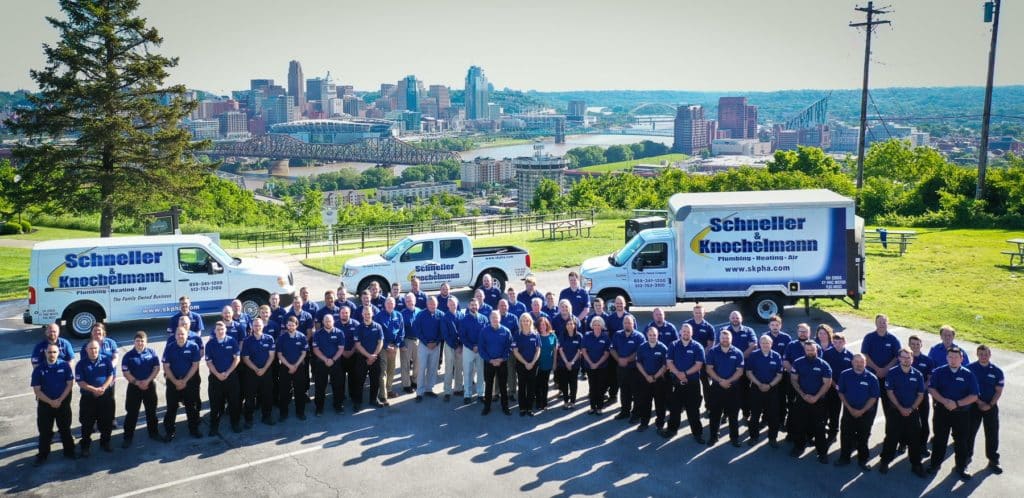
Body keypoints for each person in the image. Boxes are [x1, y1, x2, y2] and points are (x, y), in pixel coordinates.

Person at [928, 346, 979, 480]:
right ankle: (934, 465)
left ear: (962, 359)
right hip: (942, 411)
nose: (953, 360)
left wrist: (956, 404)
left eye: (956, 357)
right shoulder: (939, 372)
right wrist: (945, 401)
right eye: (950, 357)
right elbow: (932, 389)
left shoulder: (968, 374)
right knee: (940, 439)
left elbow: (974, 396)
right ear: (947, 358)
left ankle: (961, 467)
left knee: (961, 442)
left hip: (961, 413)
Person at [879, 347, 927, 477]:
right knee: (891, 437)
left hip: (912, 412)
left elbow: (920, 394)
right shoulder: (892, 373)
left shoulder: (917, 374)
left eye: (908, 357)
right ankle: (885, 461)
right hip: (895, 411)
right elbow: (890, 392)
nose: (906, 360)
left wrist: (911, 409)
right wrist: (900, 408)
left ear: (912, 359)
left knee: (914, 439)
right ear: (899, 358)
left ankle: (916, 464)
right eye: (903, 357)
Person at [31, 344, 75, 466]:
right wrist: (51, 402)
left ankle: (69, 451)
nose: (52, 355)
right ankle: (43, 455)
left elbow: (70, 384)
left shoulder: (65, 366)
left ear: (58, 353)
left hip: (63, 403)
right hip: (45, 405)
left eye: (54, 352)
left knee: (65, 429)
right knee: (45, 431)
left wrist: (60, 400)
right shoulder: (39, 369)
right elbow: (37, 390)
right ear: (45, 353)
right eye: (50, 352)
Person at [790, 340, 833, 463]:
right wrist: (803, 395)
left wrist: (816, 397)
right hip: (802, 399)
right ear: (804, 350)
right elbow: (794, 379)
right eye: (807, 350)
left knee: (819, 428)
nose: (810, 352)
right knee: (800, 425)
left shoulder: (824, 365)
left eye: (812, 350)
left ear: (817, 350)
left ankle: (822, 453)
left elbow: (827, 383)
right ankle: (799, 447)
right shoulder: (798, 363)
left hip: (818, 401)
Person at [835, 353, 879, 471]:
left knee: (863, 437)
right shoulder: (845, 375)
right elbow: (841, 392)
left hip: (866, 413)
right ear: (852, 362)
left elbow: (873, 397)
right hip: (849, 411)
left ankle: (863, 460)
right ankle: (844, 458)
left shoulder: (872, 378)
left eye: (862, 362)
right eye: (856, 361)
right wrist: (850, 408)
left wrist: (862, 410)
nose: (859, 364)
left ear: (865, 363)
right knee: (846, 435)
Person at [663, 323, 706, 443]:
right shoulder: (673, 345)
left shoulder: (697, 347)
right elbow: (669, 362)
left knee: (693, 410)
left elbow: (699, 365)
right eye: (684, 331)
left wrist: (685, 374)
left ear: (691, 333)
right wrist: (678, 374)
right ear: (680, 332)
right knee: (675, 409)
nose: (686, 333)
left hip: (692, 384)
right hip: (677, 382)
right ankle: (672, 429)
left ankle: (697, 433)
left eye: (688, 331)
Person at [967, 344, 1004, 475]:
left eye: (986, 354)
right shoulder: (969, 369)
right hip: (973, 406)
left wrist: (989, 405)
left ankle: (993, 460)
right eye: (981, 354)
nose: (983, 356)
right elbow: (968, 389)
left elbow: (998, 391)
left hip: (991, 407)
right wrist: (979, 402)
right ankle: (966, 458)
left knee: (992, 434)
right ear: (977, 355)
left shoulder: (997, 371)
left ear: (990, 354)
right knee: (970, 433)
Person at [705, 330, 745, 447]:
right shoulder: (713, 351)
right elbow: (709, 369)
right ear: (719, 339)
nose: (725, 340)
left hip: (733, 388)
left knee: (733, 415)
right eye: (723, 338)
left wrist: (728, 381)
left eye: (727, 338)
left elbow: (740, 371)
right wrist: (720, 381)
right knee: (715, 414)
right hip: (717, 388)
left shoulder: (738, 353)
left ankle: (734, 438)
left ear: (731, 339)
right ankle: (713, 437)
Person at [75, 340, 115, 456]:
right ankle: (85, 446)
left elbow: (110, 375)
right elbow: (80, 382)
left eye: (96, 348)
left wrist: (102, 388)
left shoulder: (106, 361)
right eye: (91, 349)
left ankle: (105, 443)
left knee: (106, 422)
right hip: (88, 399)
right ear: (86, 350)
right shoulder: (81, 364)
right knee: (87, 424)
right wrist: (94, 390)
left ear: (99, 349)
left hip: (105, 397)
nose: (94, 351)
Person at [120, 331, 161, 446]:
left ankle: (154, 433)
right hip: (134, 387)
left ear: (146, 342)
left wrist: (147, 381)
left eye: (142, 341)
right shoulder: (128, 356)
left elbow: (156, 368)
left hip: (149, 386)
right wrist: (137, 383)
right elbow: (125, 372)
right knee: (132, 413)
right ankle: (127, 438)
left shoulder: (152, 352)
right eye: (137, 341)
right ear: (134, 342)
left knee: (151, 411)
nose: (140, 343)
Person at [163, 326, 202, 441]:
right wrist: (175, 381)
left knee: (191, 407)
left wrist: (184, 381)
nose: (180, 336)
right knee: (171, 408)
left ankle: (194, 429)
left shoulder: (193, 346)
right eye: (178, 334)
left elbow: (195, 365)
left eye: (182, 334)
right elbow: (166, 366)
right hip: (173, 382)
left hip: (189, 382)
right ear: (175, 336)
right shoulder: (170, 347)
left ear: (187, 335)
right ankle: (170, 432)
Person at [205, 321, 242, 435]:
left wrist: (227, 372)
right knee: (215, 404)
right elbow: (209, 362)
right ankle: (214, 427)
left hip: (231, 377)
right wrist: (217, 374)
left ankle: (235, 424)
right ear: (214, 331)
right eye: (218, 330)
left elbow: (237, 359)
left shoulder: (232, 341)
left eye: (222, 329)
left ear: (225, 330)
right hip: (215, 378)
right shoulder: (210, 344)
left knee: (234, 402)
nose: (220, 331)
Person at [746, 335, 783, 447]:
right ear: (759, 344)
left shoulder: (776, 356)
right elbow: (749, 372)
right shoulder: (753, 355)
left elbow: (779, 375)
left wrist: (770, 385)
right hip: (756, 389)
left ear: (771, 344)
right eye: (763, 343)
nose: (765, 345)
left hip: (772, 390)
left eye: (767, 343)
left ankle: (772, 438)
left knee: (773, 416)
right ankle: (754, 437)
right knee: (755, 415)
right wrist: (759, 384)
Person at [861, 314, 901, 419]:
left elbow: (897, 357)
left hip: (888, 378)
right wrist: (877, 369)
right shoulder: (869, 337)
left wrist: (885, 370)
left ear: (888, 323)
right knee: (870, 408)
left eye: (884, 322)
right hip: (871, 377)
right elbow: (864, 355)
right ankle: (866, 433)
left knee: (889, 409)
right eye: (879, 322)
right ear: (875, 323)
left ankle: (890, 435)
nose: (882, 324)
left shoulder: (893, 339)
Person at [241, 317, 276, 428]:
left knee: (267, 395)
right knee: (250, 397)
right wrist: (256, 369)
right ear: (252, 327)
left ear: (263, 326)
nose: (257, 327)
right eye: (255, 325)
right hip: (251, 373)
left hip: (266, 371)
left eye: (259, 325)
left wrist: (264, 369)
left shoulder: (269, 338)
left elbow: (272, 356)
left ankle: (267, 416)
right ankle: (249, 419)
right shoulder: (247, 341)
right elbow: (245, 358)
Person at [722, 311, 757, 420]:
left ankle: (746, 414)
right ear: (730, 318)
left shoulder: (748, 331)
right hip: (728, 369)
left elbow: (753, 346)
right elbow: (721, 345)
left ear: (741, 319)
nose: (735, 319)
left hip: (744, 368)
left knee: (745, 392)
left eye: (737, 317)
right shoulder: (724, 330)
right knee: (727, 392)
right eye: (733, 317)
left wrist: (739, 358)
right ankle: (726, 413)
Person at [611, 315, 644, 423]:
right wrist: (619, 359)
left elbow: (640, 352)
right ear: (623, 324)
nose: (627, 324)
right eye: (625, 322)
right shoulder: (617, 334)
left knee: (636, 392)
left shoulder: (639, 337)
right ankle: (625, 411)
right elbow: (612, 349)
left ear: (633, 323)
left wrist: (627, 360)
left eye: (629, 322)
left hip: (634, 369)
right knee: (624, 391)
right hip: (621, 369)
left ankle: (636, 414)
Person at [634, 327, 669, 432]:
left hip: (659, 380)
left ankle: (660, 424)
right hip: (645, 379)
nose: (652, 337)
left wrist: (654, 377)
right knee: (645, 402)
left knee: (660, 403)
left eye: (654, 335)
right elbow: (638, 363)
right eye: (650, 335)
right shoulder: (642, 347)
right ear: (647, 335)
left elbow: (665, 365)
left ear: (657, 335)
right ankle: (644, 423)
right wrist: (646, 376)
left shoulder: (663, 348)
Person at [822, 329, 852, 445]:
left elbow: (850, 373)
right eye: (835, 342)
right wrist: (834, 384)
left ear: (844, 342)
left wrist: (842, 387)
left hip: (842, 390)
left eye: (839, 342)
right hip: (829, 387)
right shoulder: (827, 353)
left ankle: (832, 434)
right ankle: (821, 432)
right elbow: (825, 371)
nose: (837, 344)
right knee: (825, 411)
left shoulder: (850, 356)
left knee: (835, 412)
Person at [311, 313, 345, 416]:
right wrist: (326, 360)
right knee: (320, 387)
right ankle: (319, 408)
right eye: (326, 321)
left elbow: (341, 349)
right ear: (323, 322)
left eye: (329, 321)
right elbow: (315, 349)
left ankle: (338, 406)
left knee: (337, 386)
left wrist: (333, 360)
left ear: (333, 321)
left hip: (336, 363)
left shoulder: (339, 333)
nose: (328, 322)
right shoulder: (317, 334)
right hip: (322, 363)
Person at [480, 311, 513, 416]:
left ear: (500, 318)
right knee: (488, 385)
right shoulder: (484, 331)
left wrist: (501, 359)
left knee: (503, 385)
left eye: (496, 317)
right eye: (493, 317)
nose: (495, 319)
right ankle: (487, 407)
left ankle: (505, 407)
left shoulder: (506, 331)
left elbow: (509, 348)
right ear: (490, 319)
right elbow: (481, 348)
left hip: (502, 363)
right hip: (489, 362)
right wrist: (490, 360)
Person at [276, 316, 308, 422]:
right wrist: (290, 366)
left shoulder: (302, 337)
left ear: (296, 325)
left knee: (300, 391)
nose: (291, 327)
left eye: (293, 325)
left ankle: (300, 412)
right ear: (286, 325)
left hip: (298, 367)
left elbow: (304, 353)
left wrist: (295, 365)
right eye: (289, 325)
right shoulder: (282, 338)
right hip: (285, 367)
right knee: (284, 391)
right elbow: (279, 354)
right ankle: (283, 413)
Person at [908, 335, 935, 457]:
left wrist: (920, 390)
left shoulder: (928, 360)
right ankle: (904, 443)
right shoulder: (905, 358)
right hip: (907, 396)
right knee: (906, 421)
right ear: (909, 345)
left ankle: (922, 446)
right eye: (912, 344)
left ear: (921, 344)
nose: (915, 346)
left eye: (917, 344)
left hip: (922, 396)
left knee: (924, 421)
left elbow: (929, 379)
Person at [684, 304, 715, 412]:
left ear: (704, 313)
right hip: (688, 361)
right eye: (696, 313)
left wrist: (700, 356)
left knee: (706, 385)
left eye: (700, 313)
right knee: (688, 384)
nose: (698, 315)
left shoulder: (708, 327)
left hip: (703, 361)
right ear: (693, 313)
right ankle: (687, 405)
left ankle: (709, 406)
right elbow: (683, 341)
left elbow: (710, 345)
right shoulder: (687, 324)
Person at [413, 296, 444, 401]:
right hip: (424, 345)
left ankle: (429, 389)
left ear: (437, 304)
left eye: (434, 304)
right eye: (430, 304)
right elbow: (417, 330)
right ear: (427, 304)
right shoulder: (421, 314)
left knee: (433, 368)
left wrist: (436, 342)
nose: (432, 306)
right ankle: (419, 392)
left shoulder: (440, 315)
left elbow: (442, 331)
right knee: (421, 369)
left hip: (436, 345)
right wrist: (426, 343)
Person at [353, 307, 385, 409]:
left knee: (375, 380)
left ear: (372, 314)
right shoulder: (358, 328)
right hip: (362, 358)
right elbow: (357, 344)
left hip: (375, 357)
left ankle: (374, 399)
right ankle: (358, 402)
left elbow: (380, 342)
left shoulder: (378, 327)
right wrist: (368, 356)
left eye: (369, 313)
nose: (367, 315)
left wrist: (373, 356)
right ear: (362, 314)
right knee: (359, 381)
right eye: (365, 314)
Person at [375, 297, 404, 402]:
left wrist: (396, 345)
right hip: (383, 346)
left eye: (392, 303)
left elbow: (401, 332)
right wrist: (386, 346)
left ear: (395, 304)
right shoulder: (378, 316)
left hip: (394, 347)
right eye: (388, 303)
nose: (390, 305)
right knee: (383, 371)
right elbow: (377, 334)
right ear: (385, 304)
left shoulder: (399, 315)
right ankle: (383, 395)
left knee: (391, 370)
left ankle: (389, 389)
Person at [459, 298, 487, 404]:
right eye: (472, 305)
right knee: (467, 372)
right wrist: (472, 347)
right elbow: (462, 336)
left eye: (475, 305)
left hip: (480, 349)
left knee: (481, 372)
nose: (474, 307)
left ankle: (481, 394)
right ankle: (467, 394)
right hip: (468, 349)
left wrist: (479, 346)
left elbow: (485, 335)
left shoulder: (484, 319)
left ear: (478, 306)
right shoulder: (464, 319)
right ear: (468, 306)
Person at [581, 316, 612, 415]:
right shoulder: (587, 336)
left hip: (602, 367)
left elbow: (607, 353)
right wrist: (591, 363)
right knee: (592, 386)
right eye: (595, 324)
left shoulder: (605, 337)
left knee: (600, 387)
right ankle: (592, 407)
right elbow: (584, 351)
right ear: (592, 326)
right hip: (589, 366)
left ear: (602, 326)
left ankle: (599, 407)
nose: (597, 326)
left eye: (599, 325)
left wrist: (597, 364)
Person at [513, 313, 541, 416]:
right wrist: (526, 363)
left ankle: (529, 408)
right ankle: (522, 408)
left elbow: (538, 350)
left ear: (530, 322)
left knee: (531, 386)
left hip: (533, 365)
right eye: (523, 320)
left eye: (527, 320)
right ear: (520, 322)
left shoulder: (536, 334)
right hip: (521, 364)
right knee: (522, 386)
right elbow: (515, 351)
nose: (525, 322)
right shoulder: (517, 334)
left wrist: (532, 362)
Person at [441, 297, 465, 402]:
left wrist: (460, 345)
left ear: (457, 304)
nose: (452, 305)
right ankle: (447, 391)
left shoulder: (461, 315)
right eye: (450, 304)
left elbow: (463, 331)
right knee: (449, 368)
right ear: (448, 305)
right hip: (450, 345)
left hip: (460, 346)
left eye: (454, 303)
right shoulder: (445, 317)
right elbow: (445, 335)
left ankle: (458, 388)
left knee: (459, 368)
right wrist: (455, 346)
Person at [555, 318, 582, 409]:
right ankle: (566, 401)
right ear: (565, 326)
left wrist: (572, 362)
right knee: (564, 383)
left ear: (575, 325)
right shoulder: (562, 335)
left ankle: (573, 401)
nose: (570, 325)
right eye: (568, 324)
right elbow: (560, 350)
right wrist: (567, 362)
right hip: (563, 364)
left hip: (575, 364)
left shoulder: (579, 336)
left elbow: (579, 351)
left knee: (573, 383)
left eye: (571, 324)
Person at [535, 317, 558, 411]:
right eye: (540, 325)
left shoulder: (553, 335)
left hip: (548, 363)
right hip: (537, 363)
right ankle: (538, 401)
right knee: (537, 384)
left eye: (544, 324)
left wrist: (554, 363)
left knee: (545, 384)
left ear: (547, 325)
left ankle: (544, 402)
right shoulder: (536, 335)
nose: (542, 327)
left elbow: (555, 350)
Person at [499, 299, 520, 401]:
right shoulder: (495, 317)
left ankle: (511, 392)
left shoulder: (513, 318)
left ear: (508, 306)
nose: (503, 307)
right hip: (498, 350)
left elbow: (516, 334)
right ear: (498, 306)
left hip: (510, 350)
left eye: (505, 305)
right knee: (498, 372)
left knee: (511, 371)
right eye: (501, 305)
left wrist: (513, 346)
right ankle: (496, 392)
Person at [399, 293, 420, 393]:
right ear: (405, 302)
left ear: (414, 301)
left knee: (418, 363)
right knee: (405, 364)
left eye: (411, 300)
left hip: (418, 340)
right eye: (407, 301)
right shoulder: (401, 314)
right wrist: (401, 344)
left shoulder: (419, 312)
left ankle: (415, 381)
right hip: (406, 340)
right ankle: (406, 384)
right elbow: (399, 330)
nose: (409, 302)